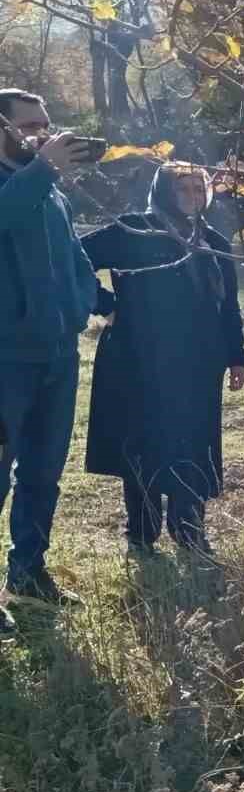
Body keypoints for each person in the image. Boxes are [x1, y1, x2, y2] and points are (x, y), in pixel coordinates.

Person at [81, 163, 244, 556]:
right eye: (184, 188)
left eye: (200, 188)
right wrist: (104, 303)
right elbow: (74, 256)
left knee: (193, 442)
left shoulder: (211, 240)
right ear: (162, 190)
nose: (194, 196)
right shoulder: (134, 229)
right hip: (137, 356)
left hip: (198, 361)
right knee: (141, 441)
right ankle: (141, 534)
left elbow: (228, 305)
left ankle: (189, 529)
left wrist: (236, 356)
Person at [0, 90, 99, 628]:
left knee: (43, 471)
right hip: (5, 362)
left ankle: (28, 573)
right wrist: (41, 170)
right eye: (29, 124)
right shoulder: (28, 183)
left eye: (46, 123)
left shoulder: (52, 192)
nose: (42, 131)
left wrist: (88, 304)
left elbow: (76, 257)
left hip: (58, 358)